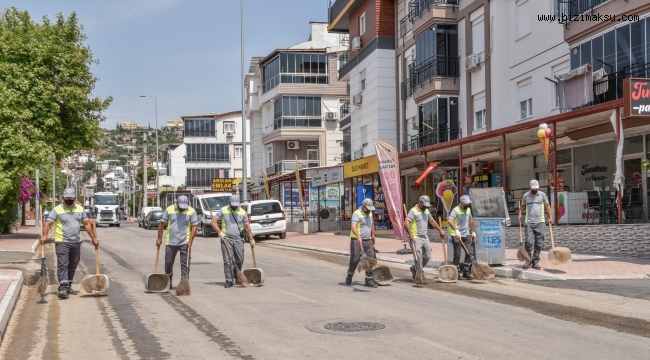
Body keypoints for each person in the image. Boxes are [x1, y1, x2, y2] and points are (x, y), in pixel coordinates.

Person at [40, 188, 99, 299]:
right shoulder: (57, 210)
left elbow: (86, 224)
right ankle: (63, 287)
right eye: (66, 198)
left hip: (76, 241)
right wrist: (44, 236)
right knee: (63, 264)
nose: (68, 200)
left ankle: (68, 286)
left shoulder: (80, 209)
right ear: (63, 198)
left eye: (70, 198)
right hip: (62, 241)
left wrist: (93, 238)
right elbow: (48, 224)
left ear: (74, 199)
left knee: (73, 264)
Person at [211, 195, 254, 288]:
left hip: (239, 239)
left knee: (239, 259)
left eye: (236, 204)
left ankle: (236, 275)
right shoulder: (223, 210)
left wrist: (251, 239)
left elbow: (247, 227)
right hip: (226, 239)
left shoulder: (242, 212)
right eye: (233, 204)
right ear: (229, 202)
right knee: (227, 261)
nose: (235, 206)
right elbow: (213, 221)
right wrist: (220, 233)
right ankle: (229, 280)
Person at [157, 195, 198, 288]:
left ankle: (183, 284)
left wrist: (190, 240)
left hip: (185, 241)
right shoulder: (169, 209)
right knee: (168, 262)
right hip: (171, 241)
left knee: (185, 264)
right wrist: (159, 238)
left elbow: (194, 226)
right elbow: (161, 224)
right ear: (177, 203)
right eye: (181, 206)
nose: (183, 209)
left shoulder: (191, 211)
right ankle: (168, 280)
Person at [405, 195, 445, 280]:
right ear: (420, 202)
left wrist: (440, 230)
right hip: (415, 237)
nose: (426, 207)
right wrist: (410, 233)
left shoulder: (426, 211)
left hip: (425, 237)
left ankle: (415, 268)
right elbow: (406, 223)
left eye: (427, 205)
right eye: (425, 205)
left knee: (427, 256)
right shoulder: (413, 211)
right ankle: (419, 275)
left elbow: (432, 221)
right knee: (418, 257)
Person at [518, 180, 553, 270]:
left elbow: (547, 205)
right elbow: (522, 206)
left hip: (540, 222)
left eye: (536, 188)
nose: (535, 190)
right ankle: (528, 260)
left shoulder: (542, 195)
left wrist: (550, 217)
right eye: (533, 189)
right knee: (529, 242)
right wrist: (520, 214)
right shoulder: (526, 196)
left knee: (539, 243)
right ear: (530, 188)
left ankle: (535, 261)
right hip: (529, 222)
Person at [346, 198, 378, 288]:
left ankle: (368, 279)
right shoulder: (356, 214)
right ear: (364, 207)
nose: (369, 210)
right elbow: (353, 226)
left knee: (370, 258)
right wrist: (358, 236)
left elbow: (371, 224)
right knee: (355, 259)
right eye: (368, 208)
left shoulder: (370, 213)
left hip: (367, 240)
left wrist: (373, 235)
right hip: (356, 239)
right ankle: (350, 273)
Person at [447, 195, 476, 280]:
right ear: (461, 203)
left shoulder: (468, 210)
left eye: (469, 203)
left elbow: (470, 220)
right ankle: (456, 271)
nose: (468, 205)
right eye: (466, 203)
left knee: (470, 252)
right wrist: (456, 230)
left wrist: (473, 231)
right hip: (456, 235)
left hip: (466, 234)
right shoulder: (456, 210)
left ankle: (466, 271)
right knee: (457, 254)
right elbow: (449, 220)